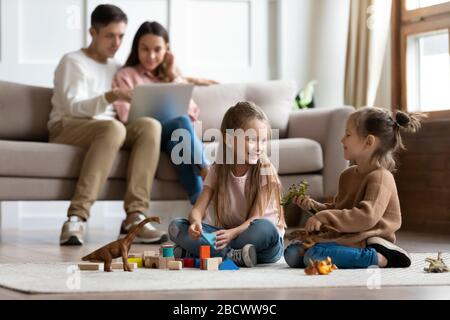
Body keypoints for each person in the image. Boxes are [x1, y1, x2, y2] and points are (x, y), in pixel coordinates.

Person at [49, 5, 167, 245]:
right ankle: (76, 218)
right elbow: (74, 107)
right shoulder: (73, 61)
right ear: (93, 32)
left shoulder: (116, 67)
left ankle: (135, 216)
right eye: (110, 35)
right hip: (68, 125)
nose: (117, 42)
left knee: (150, 126)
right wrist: (112, 96)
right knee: (113, 128)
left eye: (121, 36)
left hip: (110, 129)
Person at [284, 107, 425, 269]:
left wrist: (324, 217)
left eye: (348, 134)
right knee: (293, 254)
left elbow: (366, 217)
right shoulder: (347, 175)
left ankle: (380, 257)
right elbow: (339, 209)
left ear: (369, 142)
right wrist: (313, 207)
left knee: (314, 254)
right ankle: (343, 255)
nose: (342, 140)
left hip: (365, 240)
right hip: (345, 237)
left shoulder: (380, 177)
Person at [168, 102, 286, 267]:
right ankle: (235, 255)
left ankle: (206, 252)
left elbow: (255, 218)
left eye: (263, 141)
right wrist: (195, 222)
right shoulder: (218, 170)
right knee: (176, 227)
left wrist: (232, 234)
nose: (259, 148)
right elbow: (197, 209)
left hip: (263, 242)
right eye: (252, 140)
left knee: (265, 228)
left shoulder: (265, 170)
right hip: (232, 236)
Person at [113, 21, 216, 205]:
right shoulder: (125, 76)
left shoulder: (171, 76)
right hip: (143, 137)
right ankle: (206, 167)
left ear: (166, 50)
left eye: (157, 49)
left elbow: (193, 112)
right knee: (181, 123)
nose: (151, 56)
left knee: (179, 142)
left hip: (172, 137)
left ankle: (200, 208)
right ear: (136, 48)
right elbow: (126, 116)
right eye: (144, 49)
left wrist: (172, 74)